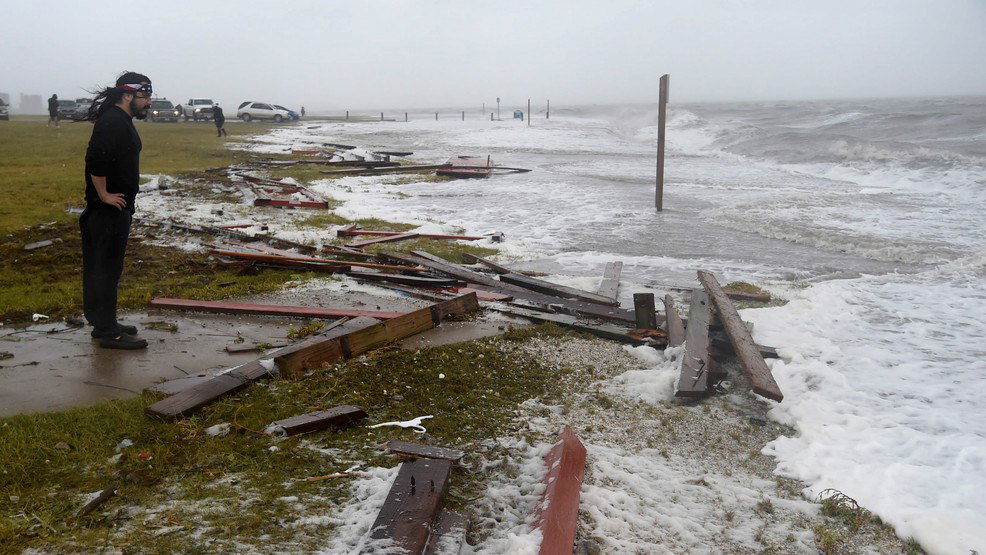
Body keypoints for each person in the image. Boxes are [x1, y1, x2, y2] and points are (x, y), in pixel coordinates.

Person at [80, 71, 153, 349]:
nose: (147, 102)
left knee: (105, 267)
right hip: (108, 211)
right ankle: (109, 332)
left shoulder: (120, 119)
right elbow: (95, 158)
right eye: (144, 96)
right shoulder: (113, 121)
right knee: (106, 269)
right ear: (128, 95)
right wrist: (104, 194)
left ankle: (103, 323)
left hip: (115, 209)